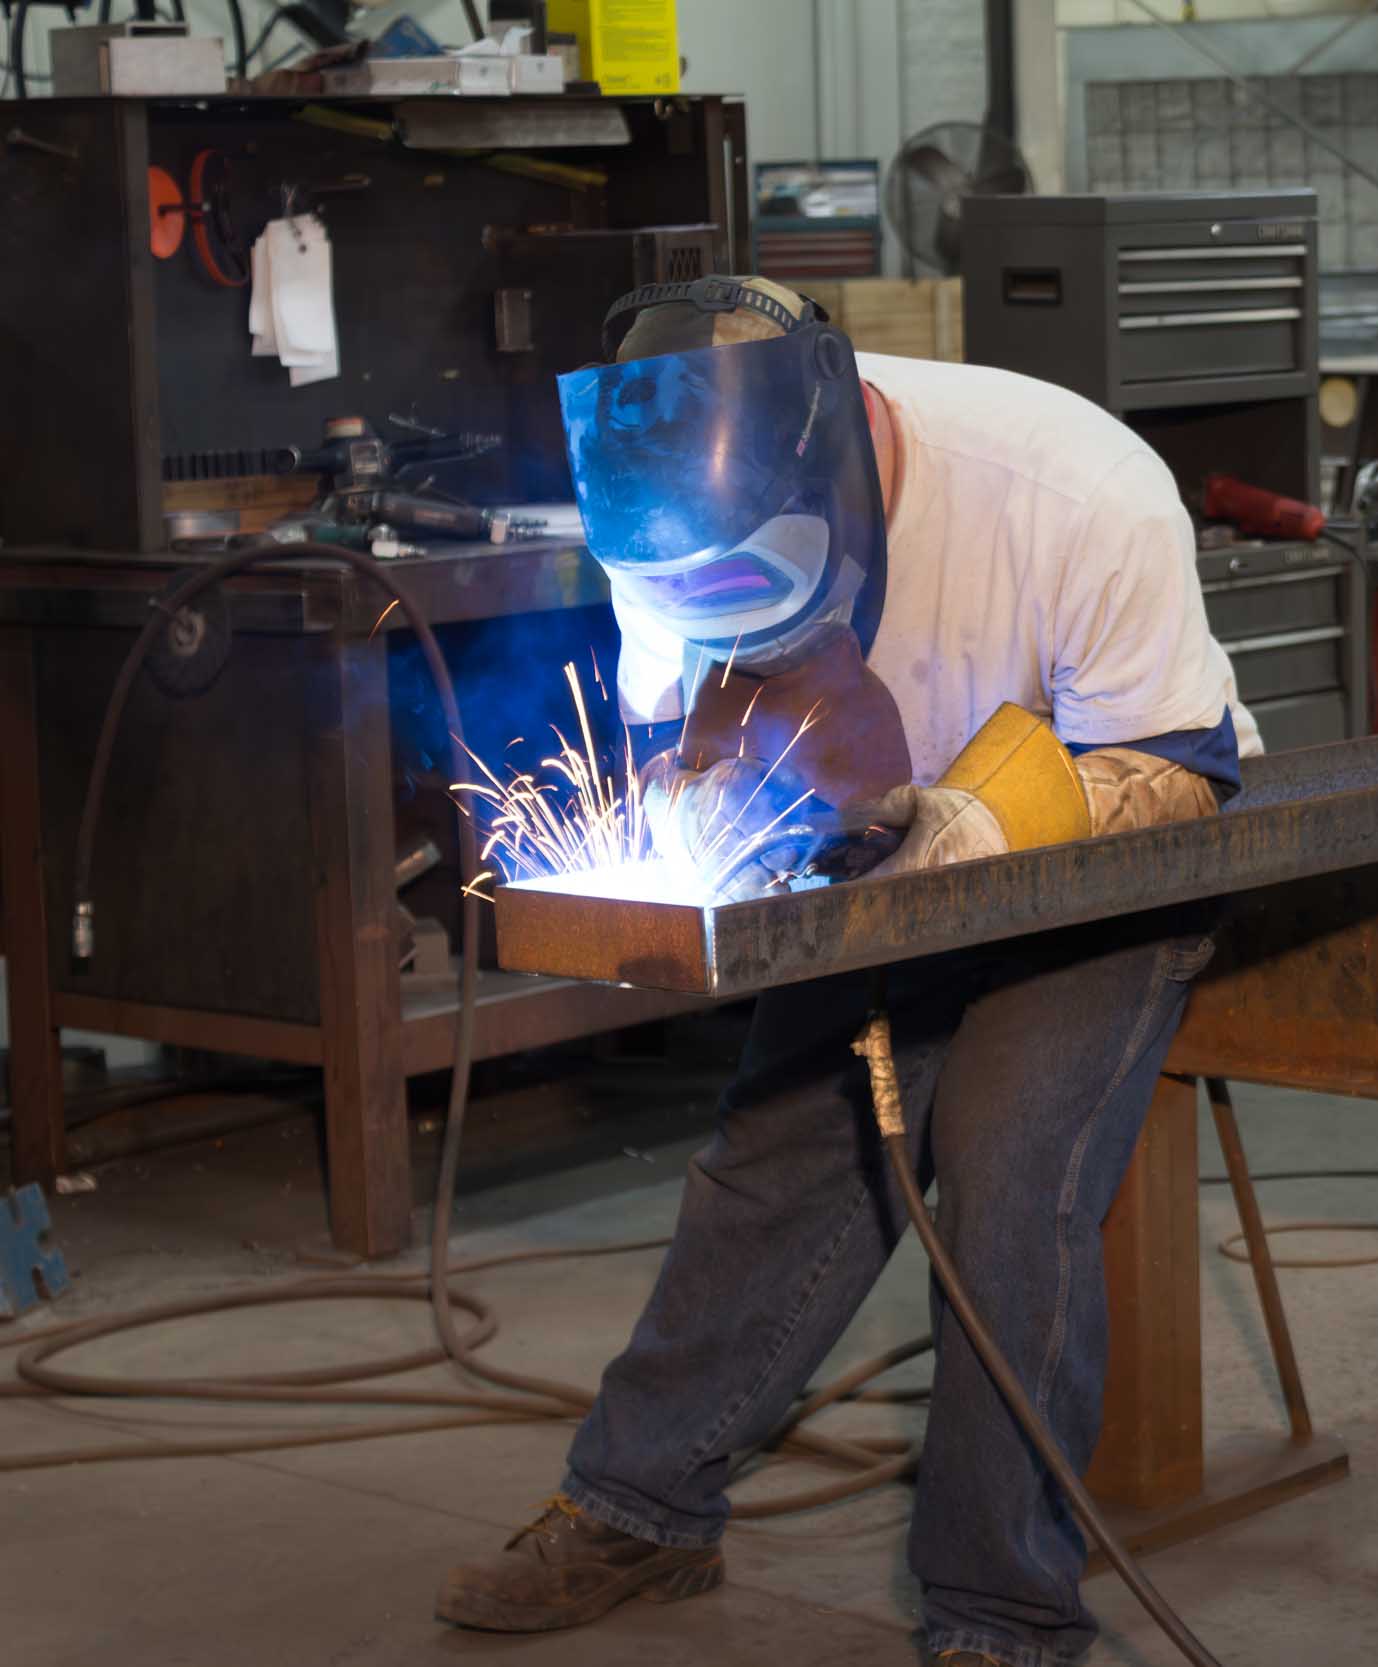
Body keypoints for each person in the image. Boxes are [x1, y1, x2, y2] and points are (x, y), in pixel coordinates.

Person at [435, 276, 1256, 1667]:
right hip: (868, 859)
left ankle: (1002, 1614)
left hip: (1102, 875)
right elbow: (676, 733)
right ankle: (641, 1508)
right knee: (779, 1149)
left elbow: (1177, 768)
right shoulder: (662, 518)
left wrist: (985, 830)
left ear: (845, 465)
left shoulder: (1074, 489)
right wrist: (708, 810)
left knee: (1008, 1168)